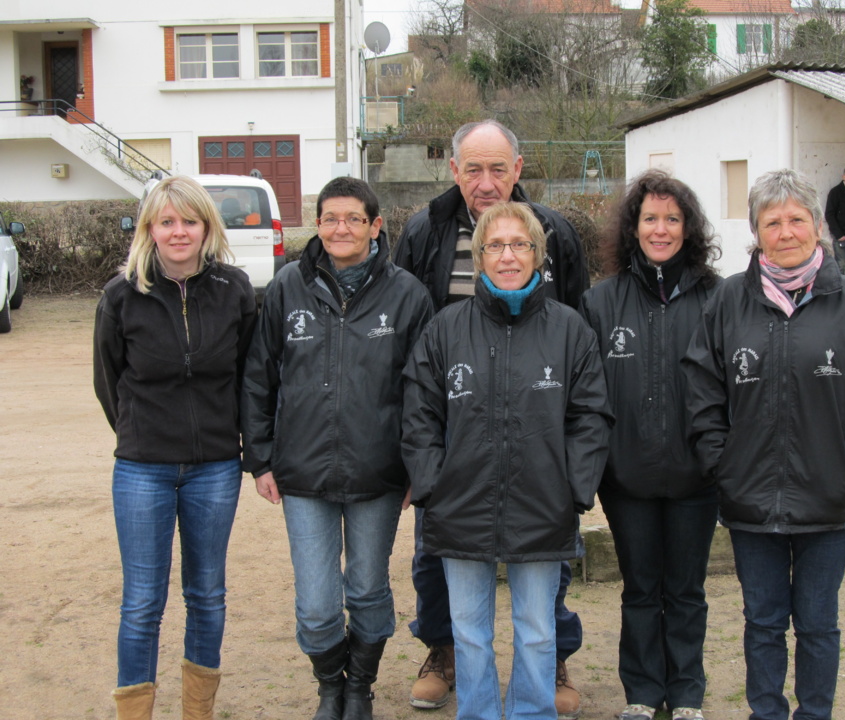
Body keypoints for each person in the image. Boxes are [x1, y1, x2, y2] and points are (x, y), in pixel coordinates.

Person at [683, 169, 845, 720]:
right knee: (762, 622)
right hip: (749, 500)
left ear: (817, 226)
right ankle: (767, 713)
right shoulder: (726, 302)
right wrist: (721, 462)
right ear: (757, 232)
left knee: (817, 623)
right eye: (772, 221)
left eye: (796, 219)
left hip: (831, 501)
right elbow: (702, 392)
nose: (786, 232)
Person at [392, 119, 590, 717]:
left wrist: (573, 481)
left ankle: (547, 670)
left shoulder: (556, 233)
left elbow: (584, 383)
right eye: (472, 169)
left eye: (497, 169)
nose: (485, 182)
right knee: (454, 596)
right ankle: (443, 656)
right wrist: (427, 477)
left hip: (536, 460)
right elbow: (414, 366)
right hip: (459, 461)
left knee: (538, 608)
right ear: (454, 171)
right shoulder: (424, 231)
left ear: (518, 169)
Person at [241, 177, 434, 720]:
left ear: (376, 226)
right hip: (301, 472)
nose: (340, 228)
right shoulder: (285, 288)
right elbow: (259, 377)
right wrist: (258, 458)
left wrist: (417, 467)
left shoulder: (407, 295)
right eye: (329, 218)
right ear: (317, 224)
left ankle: (360, 688)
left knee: (369, 588)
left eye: (353, 218)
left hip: (378, 473)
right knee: (318, 601)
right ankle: (330, 684)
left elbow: (423, 392)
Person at [93, 176, 257, 719]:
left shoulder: (235, 289)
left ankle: (196, 712)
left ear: (207, 226)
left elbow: (248, 376)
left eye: (189, 220)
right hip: (143, 469)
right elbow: (108, 380)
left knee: (207, 594)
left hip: (214, 467)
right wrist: (143, 433)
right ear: (150, 230)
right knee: (142, 602)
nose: (178, 231)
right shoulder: (120, 297)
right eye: (167, 222)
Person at [579, 170, 721, 720]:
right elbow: (588, 396)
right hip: (628, 478)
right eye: (650, 219)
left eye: (672, 219)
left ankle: (686, 694)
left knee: (686, 590)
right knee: (640, 589)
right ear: (632, 228)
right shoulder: (600, 302)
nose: (660, 230)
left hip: (696, 477)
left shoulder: (716, 297)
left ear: (688, 228)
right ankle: (641, 693)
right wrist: (601, 465)